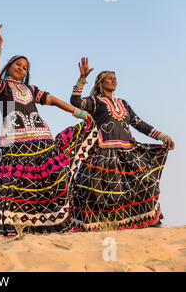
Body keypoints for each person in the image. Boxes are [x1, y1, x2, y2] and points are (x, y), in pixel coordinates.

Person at [0, 25, 94, 236]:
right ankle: (16, 227)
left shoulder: (31, 90)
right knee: (16, 185)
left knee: (52, 177)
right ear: (9, 66)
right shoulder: (2, 87)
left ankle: (51, 223)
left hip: (42, 140)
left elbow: (56, 101)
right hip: (16, 143)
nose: (21, 69)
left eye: (25, 67)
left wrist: (79, 113)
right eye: (18, 65)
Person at [69, 57, 174, 231]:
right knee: (93, 190)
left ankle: (143, 223)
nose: (113, 80)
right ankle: (98, 226)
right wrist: (81, 79)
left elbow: (139, 124)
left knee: (146, 182)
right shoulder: (95, 102)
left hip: (128, 153)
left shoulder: (123, 104)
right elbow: (76, 102)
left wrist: (162, 136)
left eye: (115, 78)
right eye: (109, 78)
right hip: (103, 153)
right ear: (100, 83)